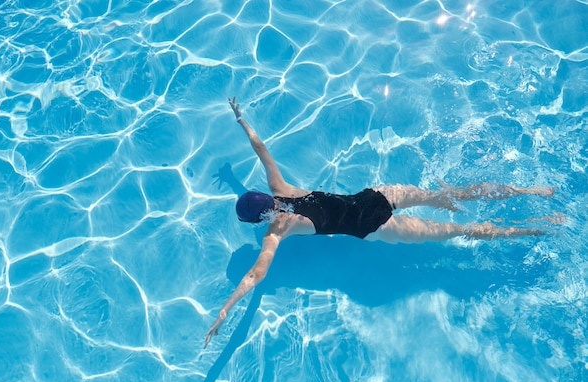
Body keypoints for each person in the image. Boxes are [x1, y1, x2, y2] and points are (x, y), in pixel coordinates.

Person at [203, 98, 553, 348]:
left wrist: (223, 311)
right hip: (376, 196)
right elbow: (262, 149)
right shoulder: (280, 188)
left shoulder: (276, 230)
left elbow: (255, 275)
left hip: (374, 227)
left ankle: (536, 226)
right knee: (454, 194)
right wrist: (240, 119)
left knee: (460, 232)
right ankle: (533, 189)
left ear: (258, 218)